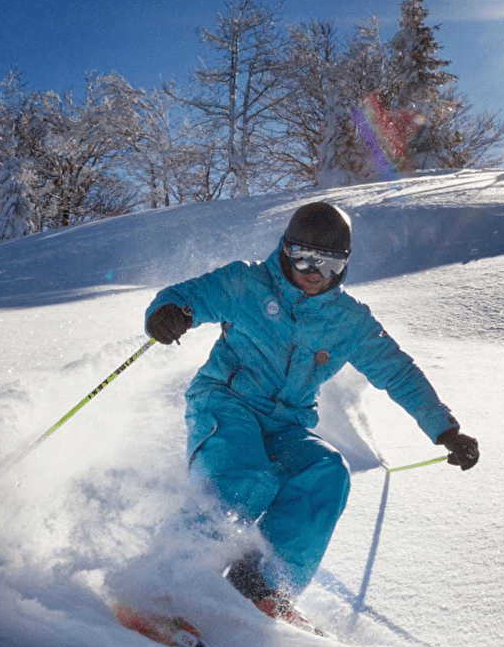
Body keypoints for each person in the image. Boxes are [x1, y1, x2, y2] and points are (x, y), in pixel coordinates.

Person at [144, 201, 479, 623]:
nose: (313, 272)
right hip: (226, 404)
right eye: (303, 257)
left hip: (287, 423)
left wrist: (445, 430)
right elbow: (186, 298)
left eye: (330, 263)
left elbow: (398, 372)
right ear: (285, 250)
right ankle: (163, 585)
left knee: (327, 471)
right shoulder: (247, 282)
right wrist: (168, 314)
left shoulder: (348, 321)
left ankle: (261, 586)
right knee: (241, 479)